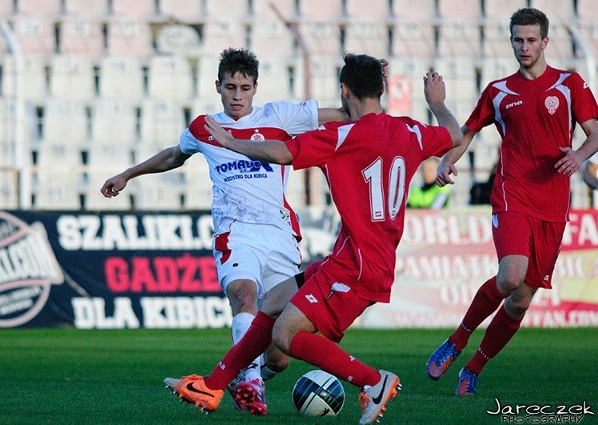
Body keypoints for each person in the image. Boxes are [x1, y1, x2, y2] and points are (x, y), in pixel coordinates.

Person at [164, 53, 462, 424]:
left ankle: (373, 381)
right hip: (354, 256)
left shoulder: (343, 137)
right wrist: (437, 103)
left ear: (344, 90)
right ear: (381, 89)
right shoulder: (410, 130)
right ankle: (212, 385)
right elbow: (455, 133)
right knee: (272, 301)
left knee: (286, 335)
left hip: (359, 265)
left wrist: (229, 140)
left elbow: (281, 152)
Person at [100, 48, 353, 415]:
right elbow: (174, 155)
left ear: (255, 89)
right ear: (218, 86)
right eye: (230, 87)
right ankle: (250, 382)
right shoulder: (205, 127)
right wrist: (127, 174)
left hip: (280, 236)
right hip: (236, 232)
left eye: (244, 88)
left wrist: (362, 82)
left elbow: (344, 114)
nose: (237, 95)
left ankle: (247, 376)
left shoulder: (279, 116)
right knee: (244, 296)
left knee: (280, 353)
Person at [426, 7, 598, 396]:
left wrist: (579, 154)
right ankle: (455, 342)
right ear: (511, 41)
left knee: (519, 302)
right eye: (518, 40)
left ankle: (472, 369)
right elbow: (466, 133)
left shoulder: (570, 84)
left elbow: (595, 131)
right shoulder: (498, 91)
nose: (524, 47)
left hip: (553, 206)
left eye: (531, 40)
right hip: (512, 194)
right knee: (510, 276)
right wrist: (445, 160)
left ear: (545, 42)